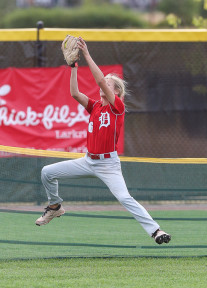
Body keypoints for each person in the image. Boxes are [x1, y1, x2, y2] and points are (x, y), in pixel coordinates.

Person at [35, 37, 171, 245]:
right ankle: (55, 207)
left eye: (108, 83)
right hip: (88, 161)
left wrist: (87, 54)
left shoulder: (117, 108)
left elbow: (98, 80)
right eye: (104, 82)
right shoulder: (95, 106)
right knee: (47, 172)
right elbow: (74, 93)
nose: (102, 84)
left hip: (108, 164)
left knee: (125, 198)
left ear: (115, 92)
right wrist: (73, 67)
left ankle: (156, 231)